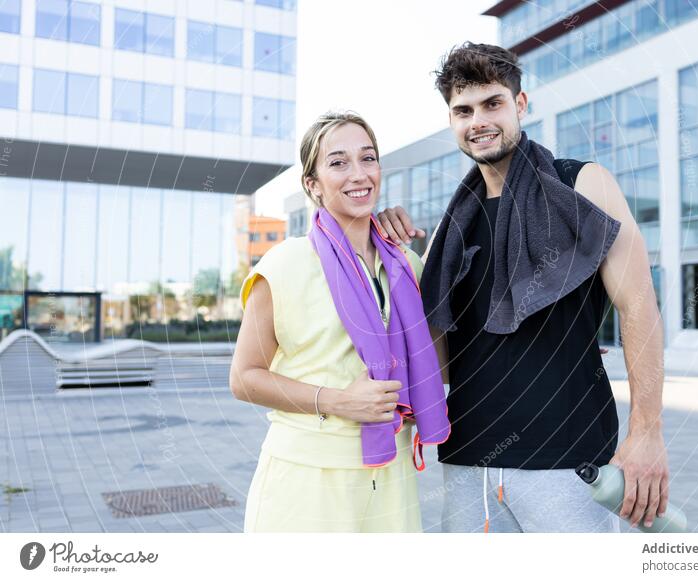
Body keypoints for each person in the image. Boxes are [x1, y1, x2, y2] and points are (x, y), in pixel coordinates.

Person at [376, 42, 669, 533]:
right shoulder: (452, 228)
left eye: (493, 103)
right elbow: (434, 352)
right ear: (451, 121)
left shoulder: (582, 183)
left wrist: (647, 432)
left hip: (567, 463)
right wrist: (378, 238)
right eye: (463, 110)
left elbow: (640, 306)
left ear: (521, 104)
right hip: (467, 462)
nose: (479, 121)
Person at [230, 111, 449, 532]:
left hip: (392, 475)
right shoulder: (285, 263)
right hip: (308, 478)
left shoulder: (408, 263)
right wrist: (338, 401)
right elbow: (244, 378)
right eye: (337, 162)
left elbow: (441, 361)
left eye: (368, 158)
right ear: (312, 185)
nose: (358, 173)